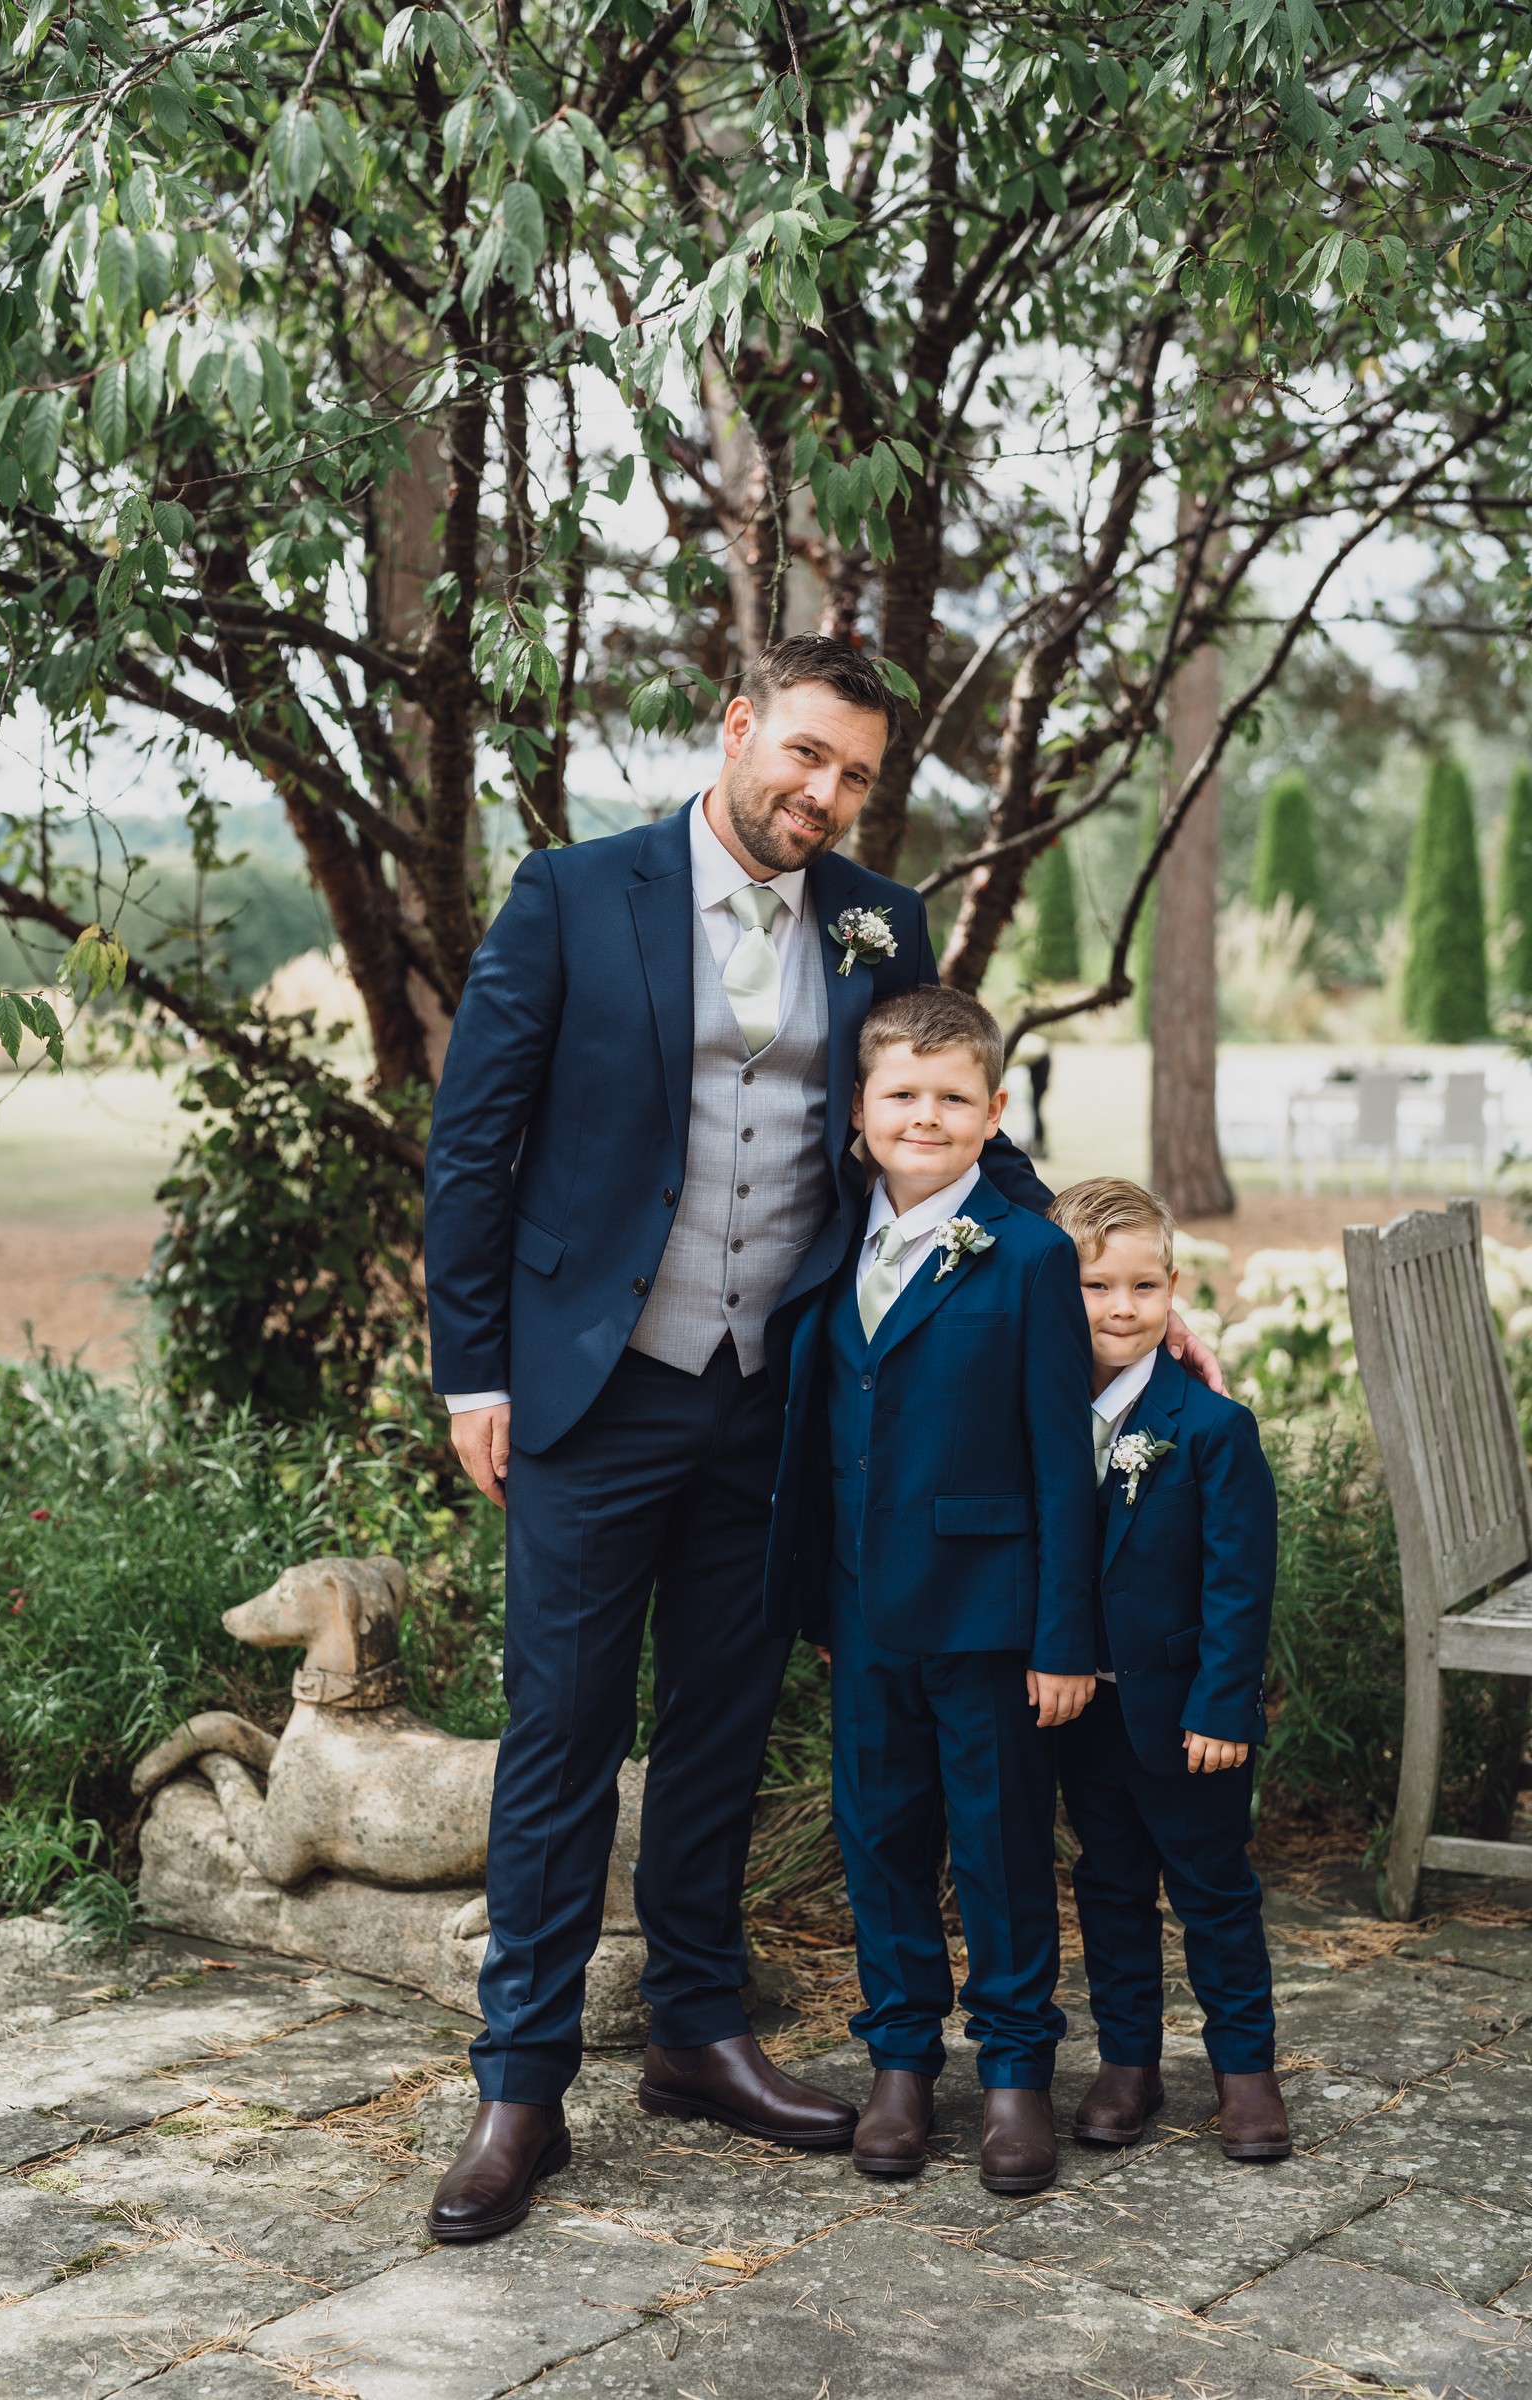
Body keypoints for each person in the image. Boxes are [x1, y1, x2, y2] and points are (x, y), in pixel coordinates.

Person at [420, 637, 1060, 2243]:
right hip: (594, 1389)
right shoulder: (575, 895)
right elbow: (474, 1142)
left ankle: (698, 2033)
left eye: (855, 776)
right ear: (736, 727)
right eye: (805, 755)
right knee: (563, 1732)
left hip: (776, 1396)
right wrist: (472, 1372)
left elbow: (945, 1127)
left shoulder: (875, 919)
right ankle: (521, 2085)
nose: (824, 794)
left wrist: (1109, 1278)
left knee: (720, 1719)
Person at [763, 986, 1097, 2196]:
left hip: (988, 1614)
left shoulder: (1032, 1255)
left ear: (993, 1111)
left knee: (998, 1841)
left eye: (953, 1098)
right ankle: (900, 2061)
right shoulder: (827, 1238)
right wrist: (814, 1599)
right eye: (900, 1093)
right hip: (860, 1612)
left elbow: (1062, 1461)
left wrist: (1063, 1636)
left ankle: (1013, 2070)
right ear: (857, 1107)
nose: (925, 1116)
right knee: (880, 1836)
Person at [1046, 1177, 1289, 2163]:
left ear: (1174, 1289)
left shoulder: (1212, 1428)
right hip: (1082, 1712)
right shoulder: (1042, 1417)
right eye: (1096, 1286)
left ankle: (1245, 2071)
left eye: (1143, 1287)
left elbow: (1240, 1582)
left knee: (1212, 1893)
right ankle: (1127, 2065)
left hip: (1188, 1717)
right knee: (1109, 1888)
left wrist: (1223, 1705)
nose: (1121, 1307)